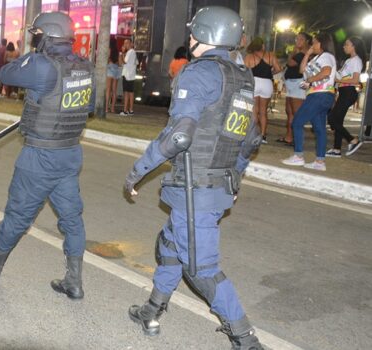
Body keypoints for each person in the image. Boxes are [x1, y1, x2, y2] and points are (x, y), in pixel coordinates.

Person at [124, 7, 264, 349]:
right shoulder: (241, 78)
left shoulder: (196, 74)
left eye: (193, 33)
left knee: (201, 269)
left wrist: (137, 173)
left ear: (203, 35)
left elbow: (178, 136)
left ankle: (246, 340)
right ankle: (152, 310)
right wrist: (235, 181)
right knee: (171, 247)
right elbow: (251, 138)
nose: (189, 39)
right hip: (214, 187)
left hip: (195, 188)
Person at [0, 11, 95, 300]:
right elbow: (90, 107)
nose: (33, 39)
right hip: (70, 153)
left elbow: (5, 72)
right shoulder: (83, 66)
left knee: (18, 215)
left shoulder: (41, 64)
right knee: (72, 219)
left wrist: (33, 53)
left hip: (40, 156)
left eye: (35, 35)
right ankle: (74, 281)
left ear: (45, 36)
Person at [281, 33, 336, 171]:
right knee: (319, 129)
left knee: (297, 122)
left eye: (314, 43)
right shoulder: (317, 58)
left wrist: (310, 81)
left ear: (322, 43)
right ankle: (320, 161)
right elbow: (301, 70)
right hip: (322, 95)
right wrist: (307, 54)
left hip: (319, 94)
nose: (312, 45)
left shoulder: (326, 56)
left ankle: (298, 156)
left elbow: (326, 72)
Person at [327, 37, 366, 157]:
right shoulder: (350, 60)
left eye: (347, 44)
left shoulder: (356, 61)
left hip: (349, 92)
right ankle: (337, 149)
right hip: (344, 92)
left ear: (354, 46)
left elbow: (355, 80)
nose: (344, 46)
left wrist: (338, 80)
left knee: (332, 119)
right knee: (337, 120)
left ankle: (352, 140)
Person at [244, 37, 281, 143]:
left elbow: (244, 70)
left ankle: (253, 134)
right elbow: (278, 69)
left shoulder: (249, 56)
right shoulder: (270, 55)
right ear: (262, 45)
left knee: (254, 110)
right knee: (263, 111)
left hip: (254, 82)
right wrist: (270, 73)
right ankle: (263, 135)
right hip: (267, 83)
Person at [280, 32, 311, 146]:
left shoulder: (304, 54)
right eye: (296, 39)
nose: (297, 41)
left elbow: (290, 63)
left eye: (301, 39)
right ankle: (289, 137)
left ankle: (298, 139)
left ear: (307, 41)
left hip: (298, 83)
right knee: (289, 112)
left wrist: (293, 52)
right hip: (291, 83)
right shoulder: (300, 53)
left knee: (296, 112)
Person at [120, 38, 137, 115]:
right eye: (124, 43)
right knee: (130, 92)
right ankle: (130, 110)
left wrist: (122, 53)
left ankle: (125, 110)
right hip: (131, 75)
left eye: (127, 43)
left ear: (131, 44)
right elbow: (136, 62)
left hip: (127, 75)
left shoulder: (130, 52)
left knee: (126, 93)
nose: (125, 45)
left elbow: (124, 62)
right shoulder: (133, 52)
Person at [106, 39, 120, 113]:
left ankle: (106, 108)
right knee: (114, 91)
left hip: (110, 68)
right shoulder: (117, 51)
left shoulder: (109, 49)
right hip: (116, 69)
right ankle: (112, 108)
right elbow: (118, 62)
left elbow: (107, 58)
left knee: (108, 90)